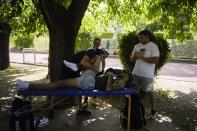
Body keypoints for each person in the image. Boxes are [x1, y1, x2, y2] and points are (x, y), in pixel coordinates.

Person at [17, 53, 129, 91]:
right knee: (97, 57)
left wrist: (109, 77)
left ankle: (29, 87)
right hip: (92, 77)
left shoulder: (122, 83)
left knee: (60, 83)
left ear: (127, 77)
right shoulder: (118, 76)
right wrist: (110, 73)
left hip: (89, 83)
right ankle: (78, 66)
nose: (122, 73)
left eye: (125, 74)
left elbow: (109, 89)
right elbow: (109, 74)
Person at [130, 29, 160, 119]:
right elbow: (132, 58)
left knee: (150, 92)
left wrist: (143, 58)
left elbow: (155, 60)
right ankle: (133, 109)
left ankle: (153, 110)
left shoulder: (153, 46)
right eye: (139, 38)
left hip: (147, 75)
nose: (140, 39)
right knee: (133, 91)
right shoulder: (137, 46)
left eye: (142, 37)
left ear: (147, 36)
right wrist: (134, 57)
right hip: (136, 73)